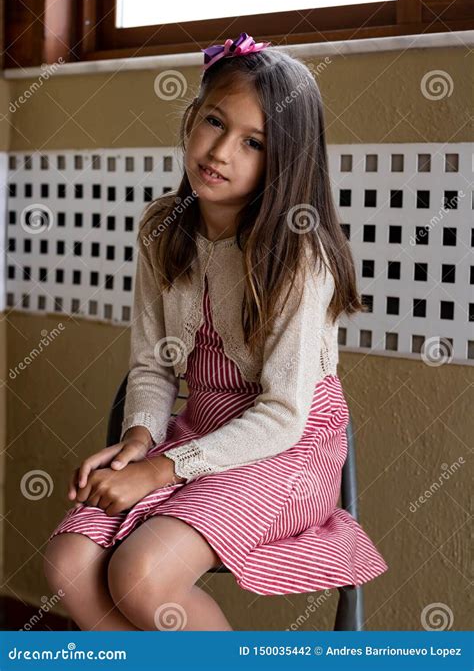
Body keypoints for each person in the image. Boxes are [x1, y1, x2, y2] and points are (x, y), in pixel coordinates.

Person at [43, 32, 388, 632]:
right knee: (69, 563)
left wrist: (160, 471)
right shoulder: (162, 229)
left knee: (143, 575)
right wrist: (140, 438)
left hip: (288, 445)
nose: (221, 150)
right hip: (199, 428)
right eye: (214, 122)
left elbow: (283, 416)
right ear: (191, 117)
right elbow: (152, 366)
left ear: (286, 161)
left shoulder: (299, 259)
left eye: (253, 143)